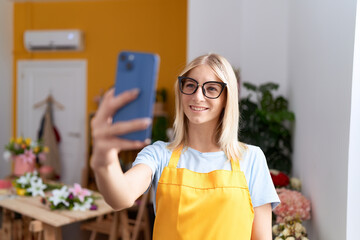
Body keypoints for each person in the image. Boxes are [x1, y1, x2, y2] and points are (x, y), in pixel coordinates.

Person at [90, 53, 280, 240]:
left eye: (211, 88)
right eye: (190, 85)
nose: (198, 96)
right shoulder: (159, 154)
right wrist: (104, 160)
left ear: (226, 99)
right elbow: (121, 197)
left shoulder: (251, 158)